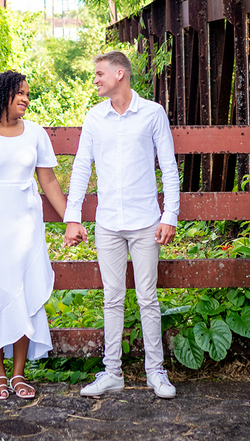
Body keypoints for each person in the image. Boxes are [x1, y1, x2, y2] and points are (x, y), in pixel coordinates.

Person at [0, 70, 83, 400]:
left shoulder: (36, 134)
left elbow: (50, 182)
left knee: (23, 294)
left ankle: (18, 373)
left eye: (28, 93)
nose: (26, 98)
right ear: (2, 96)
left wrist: (72, 218)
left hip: (26, 224)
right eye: (20, 93)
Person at [64, 51, 180, 399]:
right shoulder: (94, 118)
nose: (95, 79)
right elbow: (82, 166)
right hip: (108, 224)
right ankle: (111, 372)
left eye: (99, 74)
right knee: (112, 299)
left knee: (148, 298)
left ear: (119, 74)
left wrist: (169, 215)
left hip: (146, 222)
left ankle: (155, 373)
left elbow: (169, 167)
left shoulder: (152, 113)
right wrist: (73, 217)